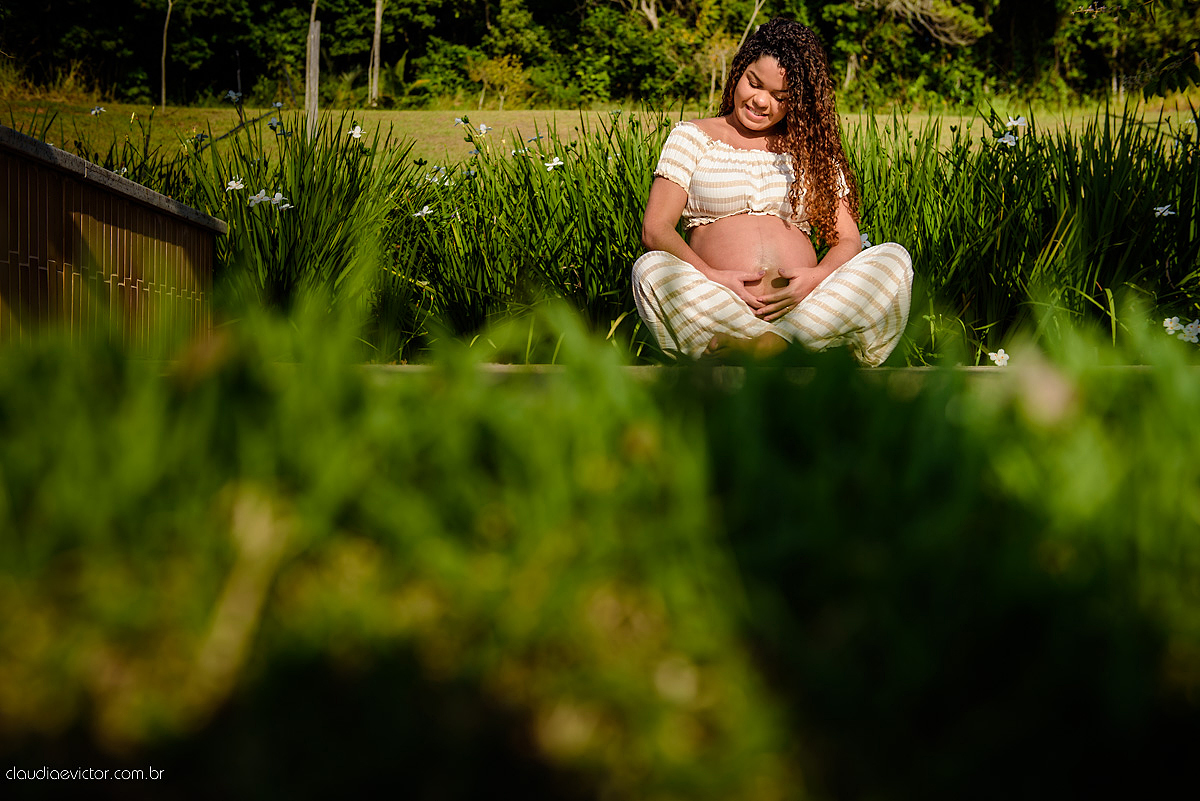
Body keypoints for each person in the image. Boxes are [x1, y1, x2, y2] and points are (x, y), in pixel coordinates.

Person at [632, 17, 913, 365]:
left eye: (780, 97)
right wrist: (715, 277)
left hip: (806, 306)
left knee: (893, 261)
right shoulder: (692, 137)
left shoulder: (811, 149)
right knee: (651, 270)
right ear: (739, 71)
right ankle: (792, 347)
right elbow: (655, 229)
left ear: (797, 101)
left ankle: (770, 345)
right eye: (754, 83)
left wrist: (815, 279)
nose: (761, 102)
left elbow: (848, 241)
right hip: (721, 302)